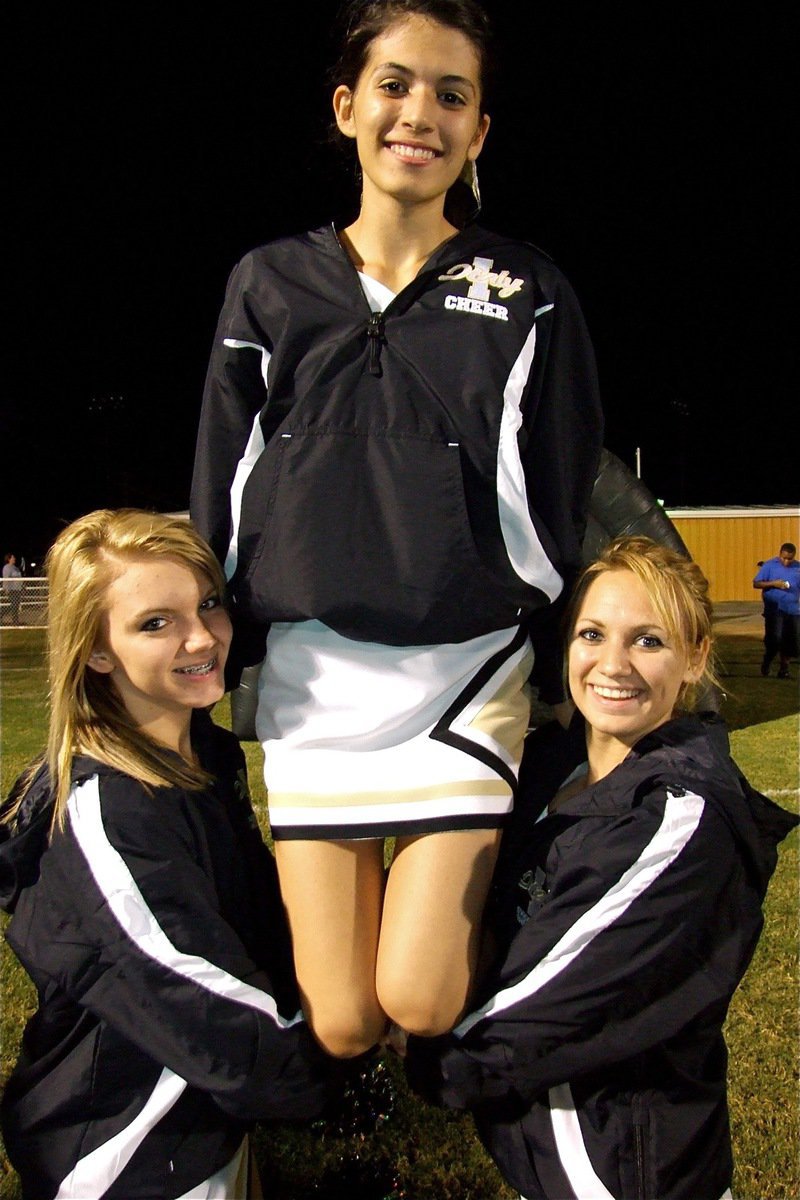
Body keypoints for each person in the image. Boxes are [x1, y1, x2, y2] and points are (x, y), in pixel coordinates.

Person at [191, 0, 603, 1059]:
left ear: (475, 132)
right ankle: (350, 1083)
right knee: (340, 1022)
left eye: (450, 95)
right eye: (394, 85)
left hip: (464, 666)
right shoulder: (268, 282)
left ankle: (499, 1018)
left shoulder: (526, 291)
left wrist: (562, 647)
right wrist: (212, 635)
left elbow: (560, 491)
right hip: (312, 679)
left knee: (416, 999)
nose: (417, 113)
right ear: (346, 108)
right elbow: (222, 479)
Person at [405, 536, 798, 1200]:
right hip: (548, 1167)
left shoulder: (679, 820)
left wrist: (415, 1049)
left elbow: (538, 1015)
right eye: (593, 634)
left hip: (626, 1176)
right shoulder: (553, 767)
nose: (612, 664)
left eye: (649, 641)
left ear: (696, 657)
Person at [0, 510, 335, 1200]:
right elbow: (200, 1003)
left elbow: (253, 920)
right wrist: (339, 1056)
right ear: (96, 652)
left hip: (202, 1131)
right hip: (127, 1158)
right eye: (156, 623)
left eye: (208, 604)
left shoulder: (201, 758)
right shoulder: (102, 813)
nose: (202, 637)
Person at [753, 541, 799, 679]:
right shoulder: (769, 566)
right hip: (775, 609)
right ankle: (767, 661)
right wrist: (774, 583)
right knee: (775, 638)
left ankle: (784, 669)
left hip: (793, 610)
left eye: (789, 559)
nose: (786, 561)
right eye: (784, 558)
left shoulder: (798, 568)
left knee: (791, 639)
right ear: (780, 555)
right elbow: (756, 583)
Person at [2, 551, 23, 624]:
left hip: (17, 589)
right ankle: (2, 616)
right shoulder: (7, 567)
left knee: (16, 606)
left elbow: (19, 578)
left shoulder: (15, 568)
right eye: (13, 557)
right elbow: (6, 579)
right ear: (9, 559)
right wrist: (6, 589)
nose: (14, 559)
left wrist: (22, 585)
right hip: (11, 589)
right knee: (13, 605)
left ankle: (15, 621)